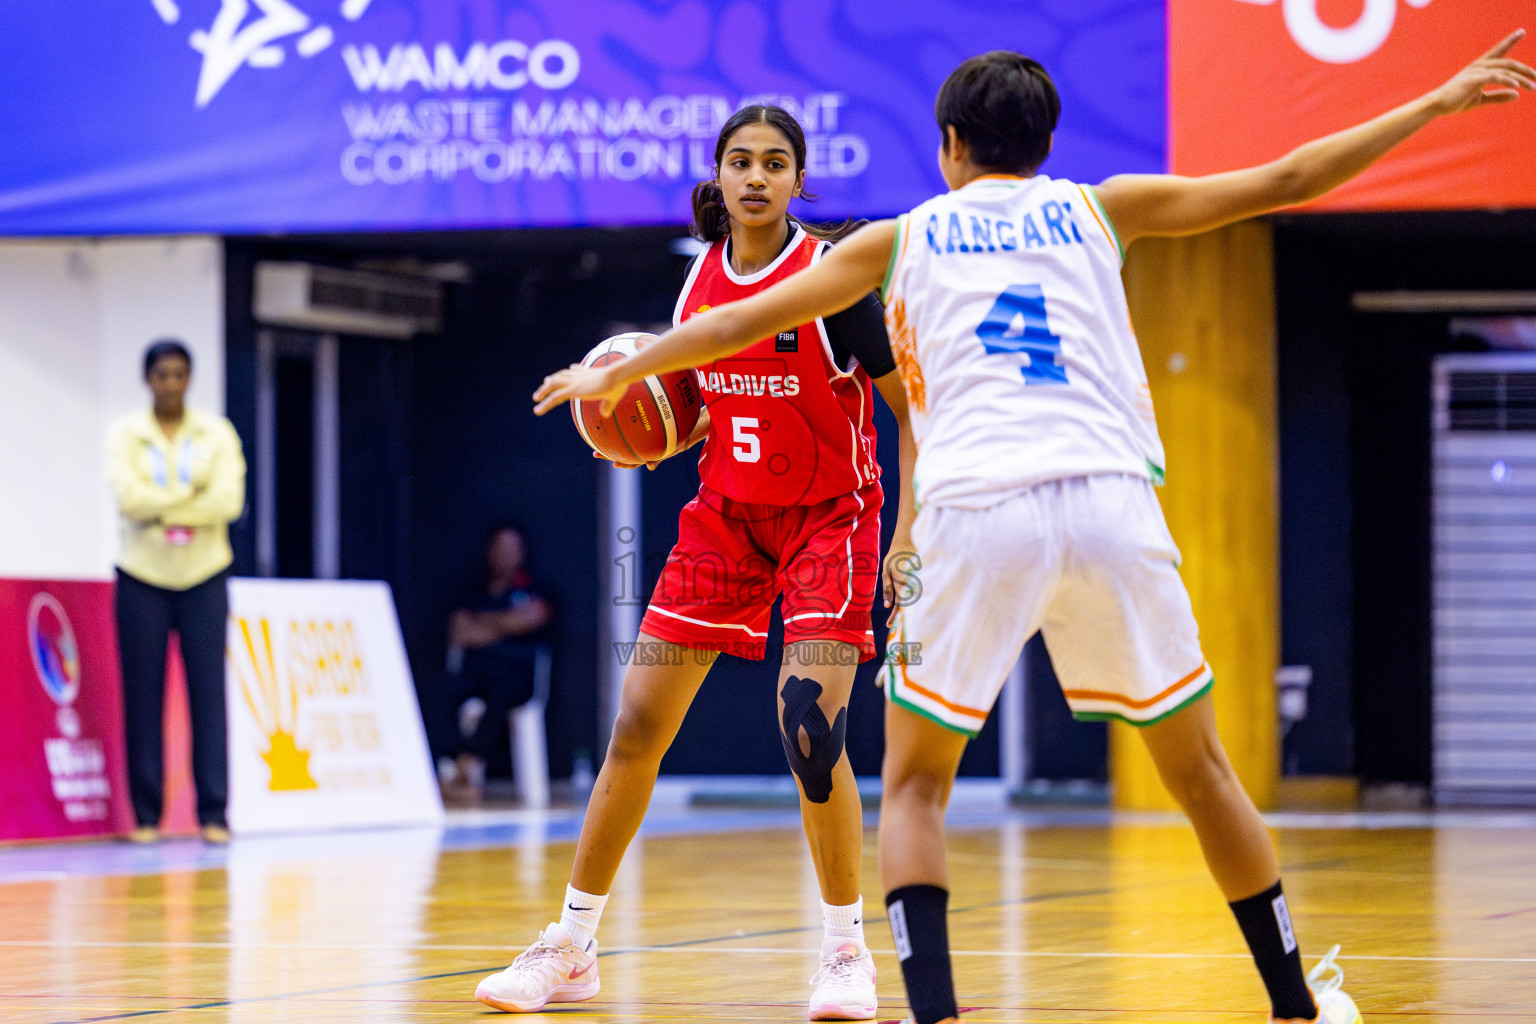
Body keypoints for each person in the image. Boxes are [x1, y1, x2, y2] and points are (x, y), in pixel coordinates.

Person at [533, 33, 1534, 1024]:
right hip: (1110, 504)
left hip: (976, 506)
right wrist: (1435, 103)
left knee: (917, 787)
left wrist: (617, 368)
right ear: (1045, 145)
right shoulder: (1103, 208)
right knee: (1200, 770)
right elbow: (1289, 175)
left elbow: (733, 324)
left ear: (951, 145)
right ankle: (1292, 1004)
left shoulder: (903, 236)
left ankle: (933, 1010)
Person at [477, 105, 916, 1019]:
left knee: (809, 728)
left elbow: (908, 410)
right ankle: (572, 943)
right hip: (726, 523)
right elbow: (710, 406)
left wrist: (906, 536)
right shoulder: (695, 289)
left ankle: (845, 951)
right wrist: (653, 424)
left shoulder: (834, 281)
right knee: (637, 721)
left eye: (776, 163)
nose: (757, 178)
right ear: (718, 176)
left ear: (800, 180)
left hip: (831, 520)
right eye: (741, 162)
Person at [107, 339, 246, 845]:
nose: (171, 384)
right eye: (162, 375)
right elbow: (128, 497)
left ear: (191, 378)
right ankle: (146, 816)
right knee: (142, 696)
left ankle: (213, 813)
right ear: (148, 379)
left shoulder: (216, 433)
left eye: (180, 375)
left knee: (208, 695)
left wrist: (160, 509)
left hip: (204, 574)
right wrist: (189, 501)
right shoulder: (126, 433)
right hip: (142, 575)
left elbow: (228, 502)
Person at [428, 523, 553, 801]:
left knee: (503, 692)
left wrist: (484, 623)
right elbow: (460, 631)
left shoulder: (534, 586)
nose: (504, 554)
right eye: (499, 548)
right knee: (441, 690)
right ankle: (449, 766)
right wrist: (508, 621)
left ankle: (465, 766)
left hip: (517, 675)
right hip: (477, 673)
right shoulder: (474, 589)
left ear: (521, 553)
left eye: (511, 548)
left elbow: (533, 618)